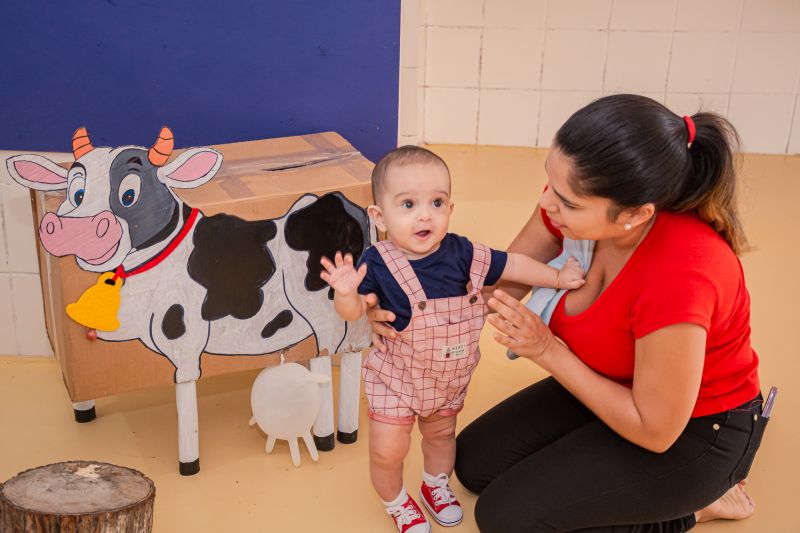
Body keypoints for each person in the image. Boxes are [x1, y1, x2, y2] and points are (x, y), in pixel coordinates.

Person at [368, 94, 765, 532]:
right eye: (551, 184)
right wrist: (396, 304)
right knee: (473, 462)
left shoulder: (681, 274)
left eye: (568, 202)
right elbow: (496, 289)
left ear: (634, 214)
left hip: (692, 432)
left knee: (506, 520)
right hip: (613, 379)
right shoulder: (573, 205)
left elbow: (655, 430)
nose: (547, 205)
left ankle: (702, 504)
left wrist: (546, 349)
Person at [320, 145, 585, 533]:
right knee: (388, 450)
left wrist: (557, 277)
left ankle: (435, 485)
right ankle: (397, 502)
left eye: (437, 202)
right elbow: (356, 310)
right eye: (407, 204)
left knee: (442, 437)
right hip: (397, 378)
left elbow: (513, 264)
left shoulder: (462, 252)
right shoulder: (377, 262)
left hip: (448, 378)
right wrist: (345, 294)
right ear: (379, 216)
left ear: (450, 208)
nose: (425, 214)